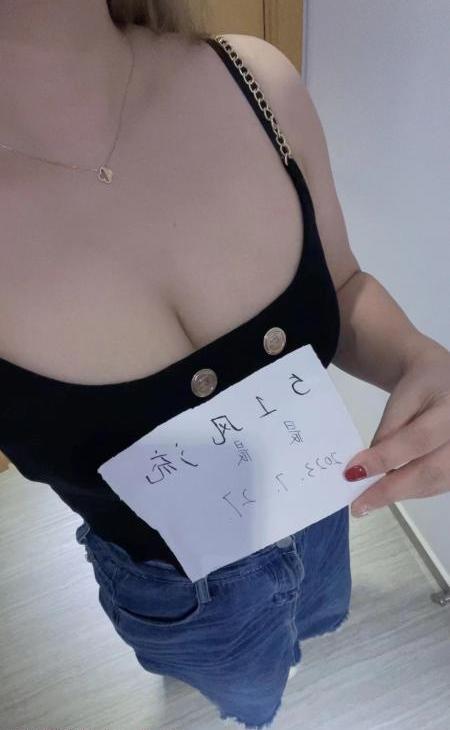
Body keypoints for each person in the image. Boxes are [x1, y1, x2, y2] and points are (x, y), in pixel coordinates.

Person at [1, 2, 448, 729]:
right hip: (176, 594)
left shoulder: (254, 79)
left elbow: (341, 285)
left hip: (319, 511)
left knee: (316, 622)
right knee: (243, 696)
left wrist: (419, 359)